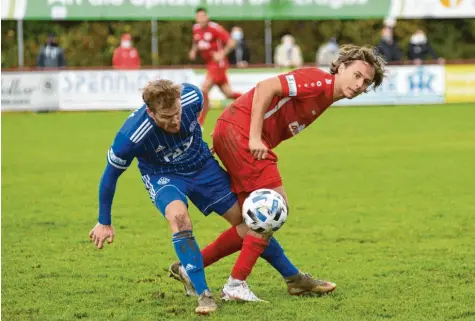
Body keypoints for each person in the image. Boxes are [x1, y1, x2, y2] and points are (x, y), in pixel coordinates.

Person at [88, 79, 328, 313]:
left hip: (203, 167)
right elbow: (109, 176)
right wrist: (104, 221)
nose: (175, 122)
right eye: (166, 118)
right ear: (150, 113)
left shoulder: (193, 96)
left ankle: (293, 277)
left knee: (250, 222)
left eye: (177, 113)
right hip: (164, 176)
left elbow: (207, 125)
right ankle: (204, 294)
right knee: (180, 219)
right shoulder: (130, 137)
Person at [171, 44, 387, 302]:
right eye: (357, 75)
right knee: (273, 208)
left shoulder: (327, 97)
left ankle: (191, 267)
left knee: (250, 223)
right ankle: (236, 283)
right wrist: (252, 138)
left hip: (234, 133)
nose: (360, 84)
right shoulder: (318, 81)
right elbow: (266, 87)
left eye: (366, 82)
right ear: (341, 67)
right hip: (243, 135)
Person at [189, 7, 242, 127]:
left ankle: (200, 124)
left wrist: (221, 54)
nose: (201, 19)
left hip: (218, 64)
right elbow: (196, 41)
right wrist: (193, 50)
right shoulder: (196, 29)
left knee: (204, 89)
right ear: (196, 18)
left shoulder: (215, 28)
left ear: (207, 17)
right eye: (199, 17)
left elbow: (232, 42)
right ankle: (251, 100)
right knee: (228, 93)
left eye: (203, 16)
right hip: (210, 65)